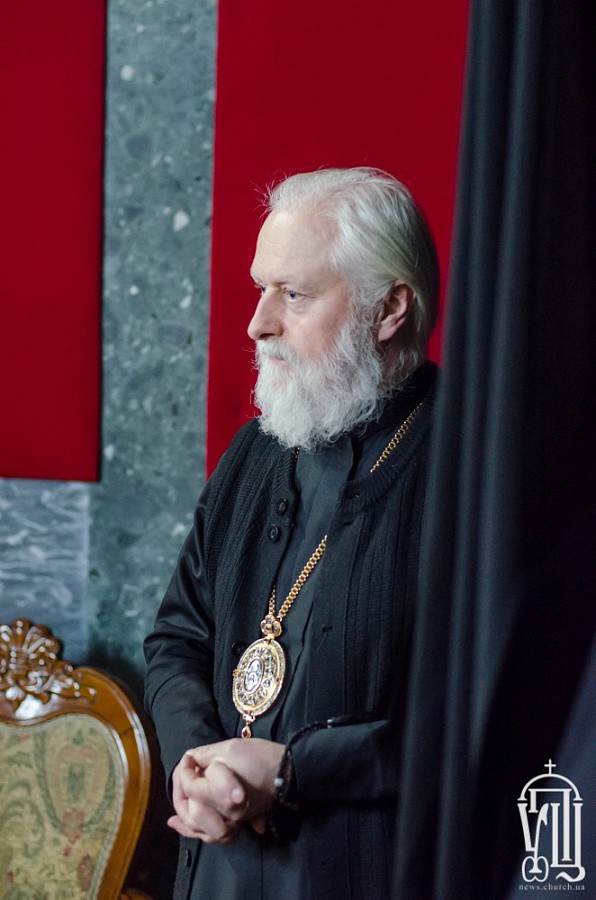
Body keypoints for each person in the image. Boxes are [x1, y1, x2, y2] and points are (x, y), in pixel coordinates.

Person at [144, 166, 440, 899]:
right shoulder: (256, 451)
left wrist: (292, 771)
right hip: (217, 870)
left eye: (294, 295)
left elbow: (480, 714)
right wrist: (197, 764)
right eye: (260, 288)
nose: (258, 323)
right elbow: (177, 638)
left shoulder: (470, 472)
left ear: (389, 308)